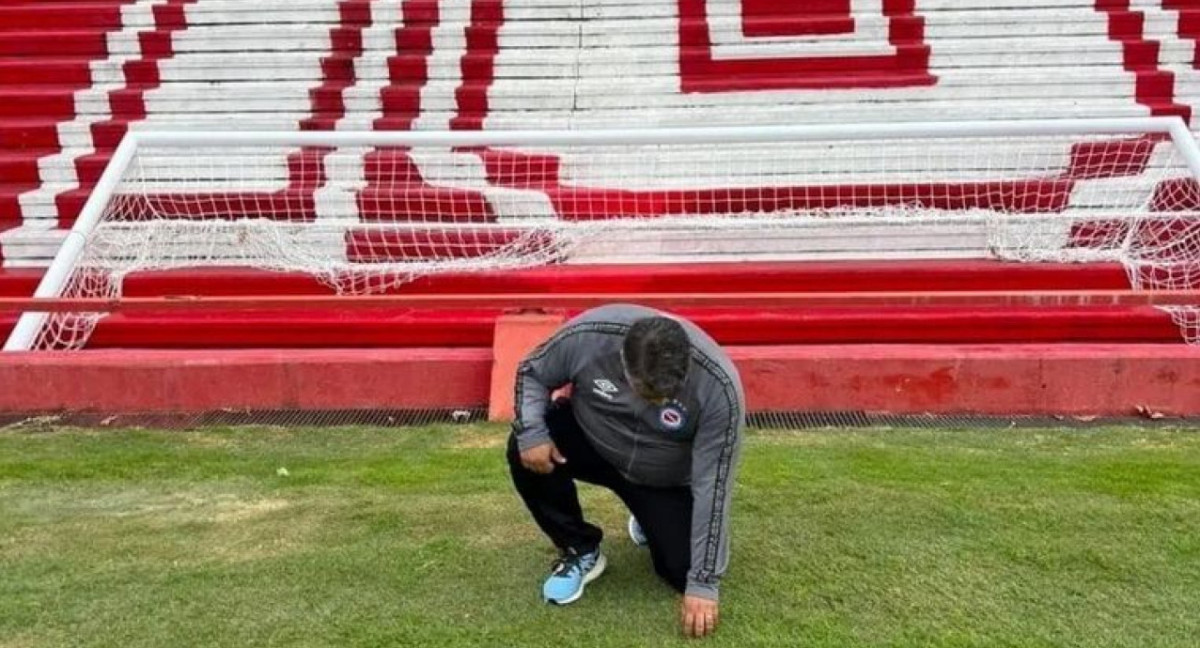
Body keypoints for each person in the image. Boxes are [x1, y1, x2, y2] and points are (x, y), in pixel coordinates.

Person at [506, 304, 745, 638]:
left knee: (682, 571)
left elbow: (713, 485)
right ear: (623, 363)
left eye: (668, 395)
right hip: (592, 439)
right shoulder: (587, 337)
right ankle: (579, 548)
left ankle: (648, 516)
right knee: (525, 447)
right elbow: (532, 371)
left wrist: (704, 583)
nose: (660, 404)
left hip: (661, 476)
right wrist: (532, 431)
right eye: (649, 393)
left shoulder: (718, 388)